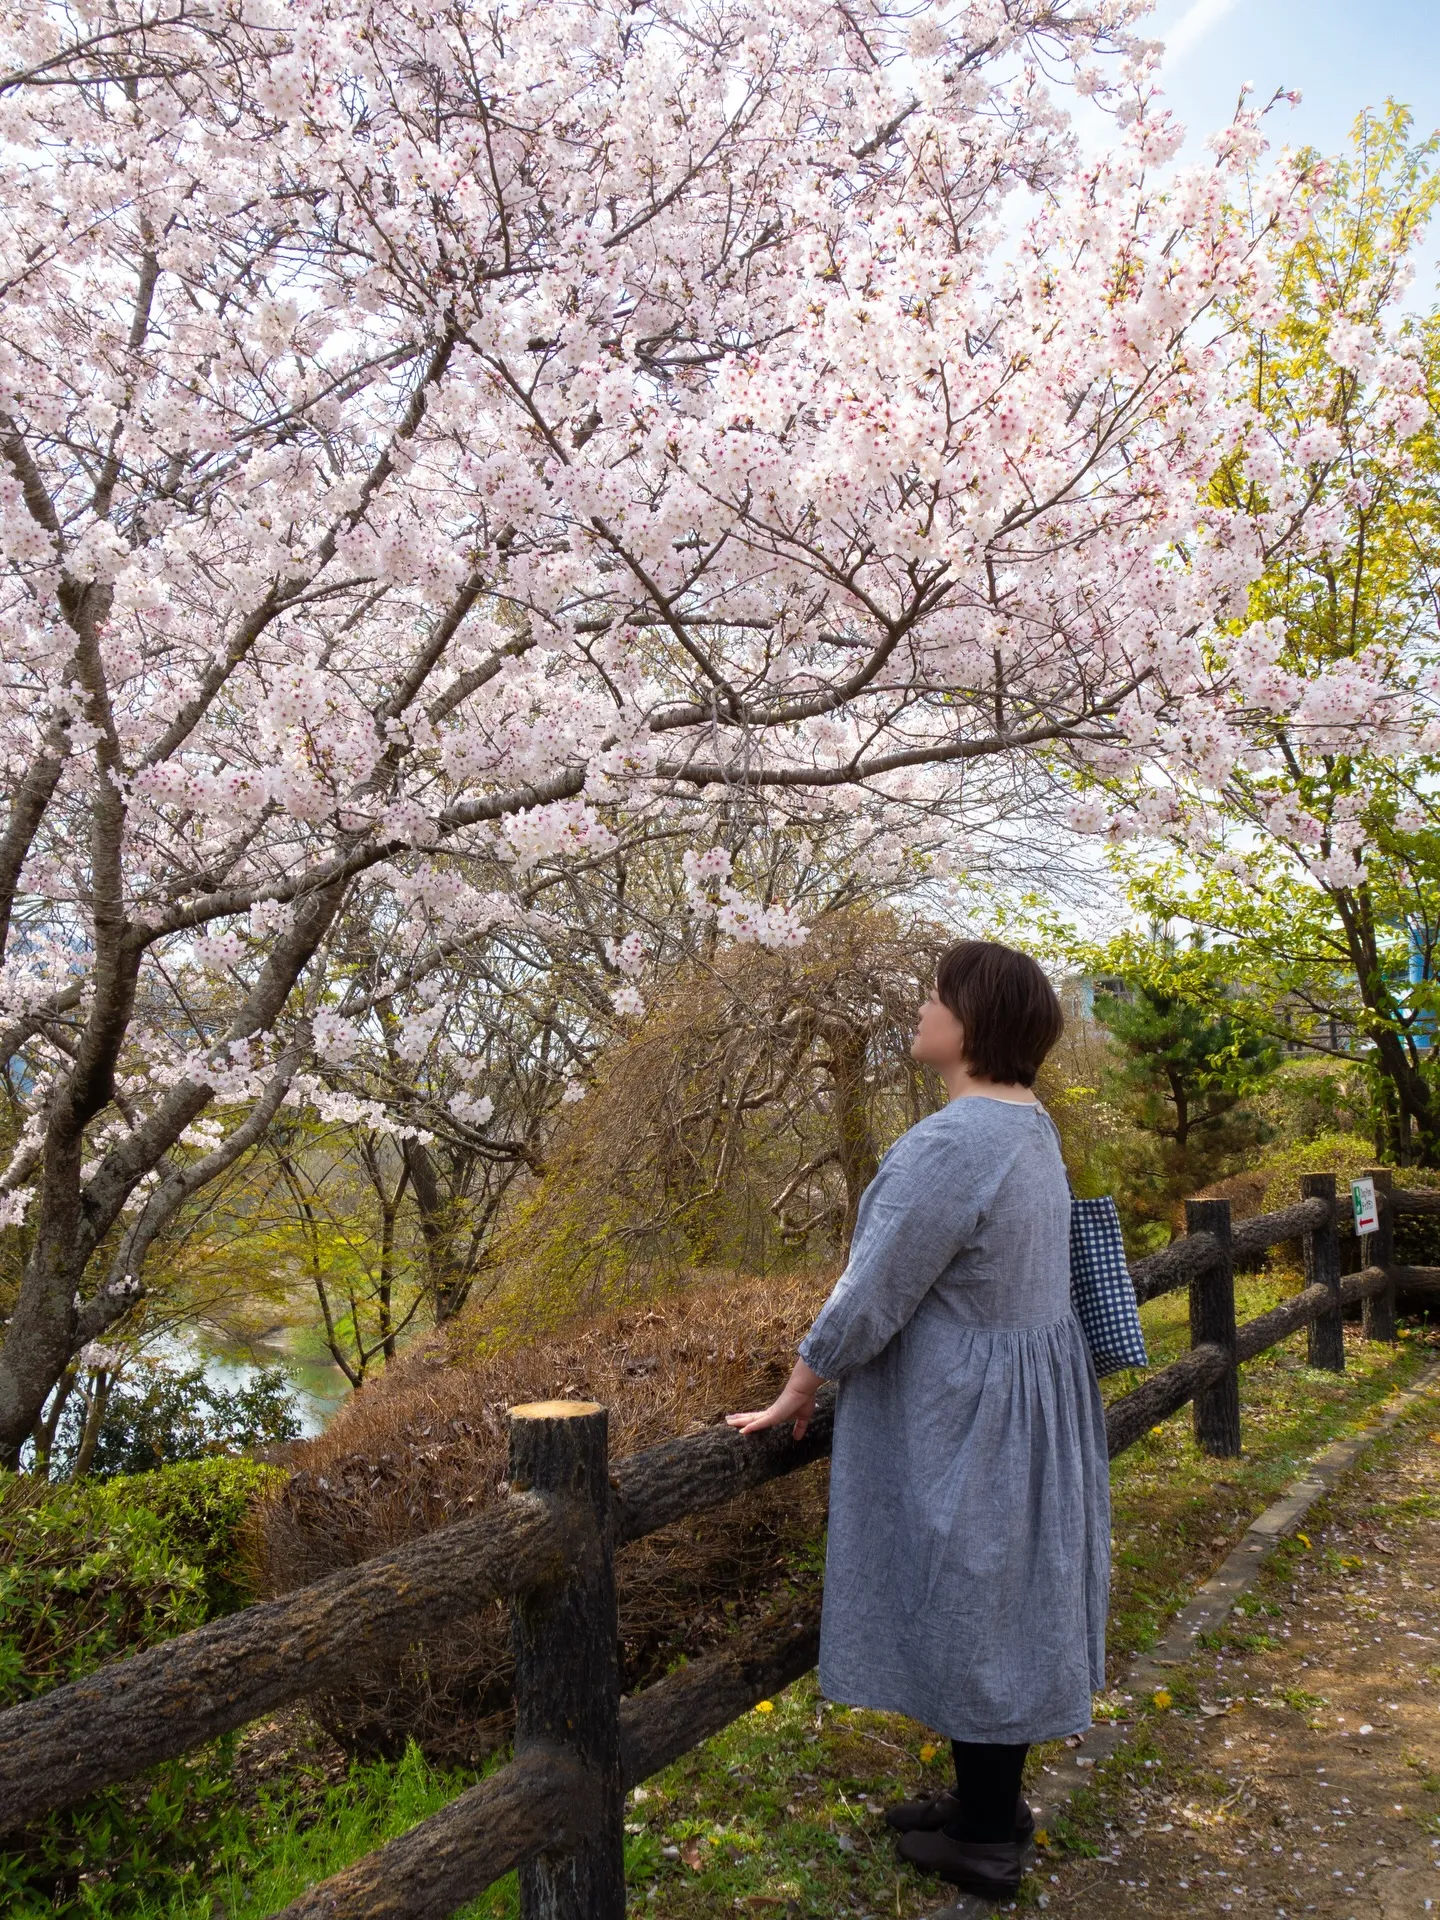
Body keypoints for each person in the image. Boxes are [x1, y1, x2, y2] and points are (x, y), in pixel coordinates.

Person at [726, 939, 1111, 1903]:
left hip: (969, 1409)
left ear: (970, 1022)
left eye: (936, 996)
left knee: (978, 1595)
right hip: (1027, 1395)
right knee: (1001, 1592)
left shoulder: (953, 1142)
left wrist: (801, 1386)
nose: (922, 1007)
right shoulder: (1029, 1126)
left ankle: (985, 1840)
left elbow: (873, 1290)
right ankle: (985, 1806)